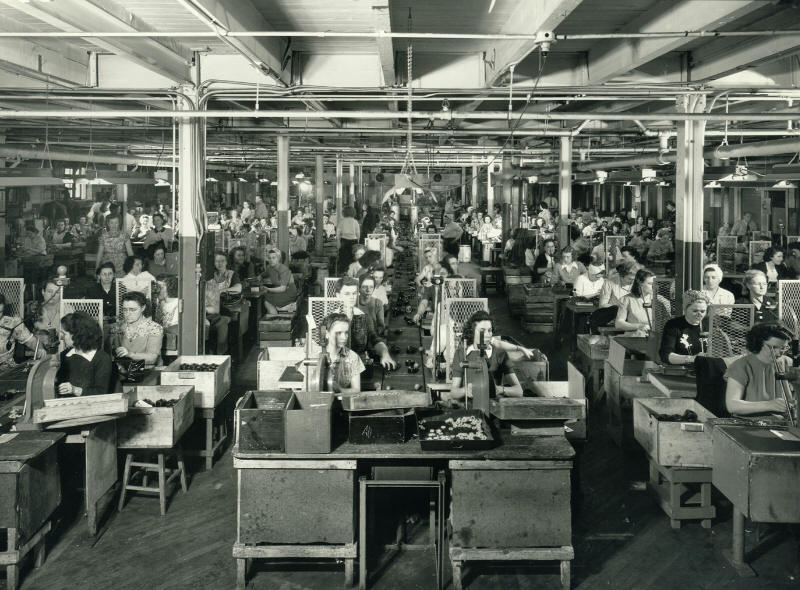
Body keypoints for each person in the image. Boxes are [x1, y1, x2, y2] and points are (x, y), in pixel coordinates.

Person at [444, 310, 524, 401]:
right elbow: (454, 392)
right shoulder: (461, 354)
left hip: (494, 406)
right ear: (472, 331)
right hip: (470, 408)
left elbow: (519, 391)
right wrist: (465, 391)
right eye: (482, 331)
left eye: (489, 331)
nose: (487, 335)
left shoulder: (499, 354)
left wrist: (499, 389)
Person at [725, 323, 798, 417]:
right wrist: (769, 405)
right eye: (773, 347)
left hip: (784, 422)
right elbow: (732, 405)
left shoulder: (787, 362)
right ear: (758, 343)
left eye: (783, 348)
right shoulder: (741, 366)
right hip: (751, 424)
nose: (778, 352)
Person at [334, 277, 396, 370]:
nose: (352, 297)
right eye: (347, 294)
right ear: (338, 295)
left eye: (354, 293)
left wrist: (385, 354)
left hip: (359, 367)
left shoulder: (364, 317)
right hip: (337, 368)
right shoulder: (331, 319)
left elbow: (375, 339)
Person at [55, 312, 112, 397]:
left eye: (64, 334)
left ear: (77, 335)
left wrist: (75, 390)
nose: (61, 337)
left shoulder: (102, 359)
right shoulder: (64, 355)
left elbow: (101, 393)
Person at [110, 291, 163, 368]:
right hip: (125, 371)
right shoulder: (119, 327)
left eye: (132, 310)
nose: (128, 314)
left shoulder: (154, 328)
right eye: (125, 310)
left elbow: (152, 358)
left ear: (143, 308)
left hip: (148, 371)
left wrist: (130, 354)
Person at [204, 251, 241, 355]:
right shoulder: (211, 275)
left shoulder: (231, 274)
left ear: (226, 262)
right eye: (217, 261)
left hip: (227, 307)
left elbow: (238, 288)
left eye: (222, 261)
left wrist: (220, 291)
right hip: (212, 306)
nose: (219, 263)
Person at [659, 290, 710, 365]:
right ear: (685, 309)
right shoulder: (673, 325)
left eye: (703, 311)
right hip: (682, 369)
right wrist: (692, 358)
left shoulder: (710, 324)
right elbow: (665, 355)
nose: (699, 314)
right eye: (695, 311)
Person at [319, 313, 364, 394]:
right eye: (339, 333)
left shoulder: (353, 357)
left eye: (346, 333)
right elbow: (306, 390)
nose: (344, 337)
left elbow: (356, 390)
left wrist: (340, 390)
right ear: (326, 334)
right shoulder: (314, 357)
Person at [0, 293, 47, 366]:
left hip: (6, 369)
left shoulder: (12, 323)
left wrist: (40, 349)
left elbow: (31, 341)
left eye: (0, 312)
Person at [615, 269, 659, 336]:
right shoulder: (626, 299)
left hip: (656, 337)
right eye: (650, 283)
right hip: (636, 337)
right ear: (640, 283)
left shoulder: (660, 299)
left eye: (655, 283)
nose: (654, 286)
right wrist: (639, 326)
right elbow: (619, 323)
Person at [262, 248, 298, 314]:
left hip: (289, 293)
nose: (271, 260)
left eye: (274, 258)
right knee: (265, 297)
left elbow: (282, 288)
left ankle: (274, 319)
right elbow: (263, 275)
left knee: (266, 300)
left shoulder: (284, 269)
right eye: (269, 258)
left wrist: (268, 289)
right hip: (281, 293)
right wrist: (257, 278)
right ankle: (272, 316)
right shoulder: (270, 268)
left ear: (278, 258)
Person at [337, 206, 361, 274]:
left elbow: (338, 232)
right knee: (353, 257)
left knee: (344, 258)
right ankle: (352, 272)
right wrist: (358, 241)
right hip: (354, 241)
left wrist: (338, 242)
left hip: (344, 241)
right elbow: (358, 233)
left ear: (344, 213)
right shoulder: (355, 221)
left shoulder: (342, 221)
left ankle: (344, 272)